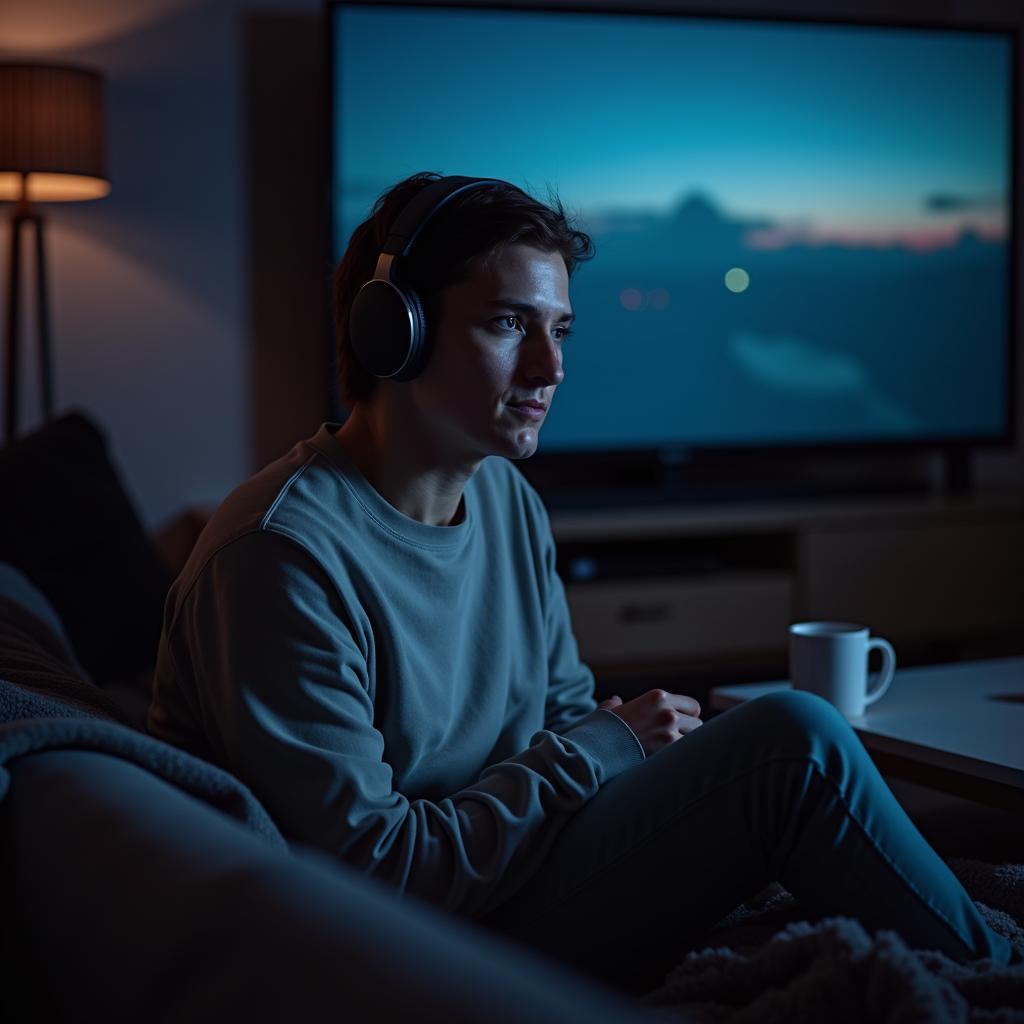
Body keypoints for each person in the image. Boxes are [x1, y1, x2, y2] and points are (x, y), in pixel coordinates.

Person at [147, 172, 1020, 992]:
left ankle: (971, 951)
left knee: (767, 747)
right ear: (394, 331)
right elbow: (375, 876)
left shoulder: (508, 503)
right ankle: (994, 975)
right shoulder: (280, 555)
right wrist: (604, 749)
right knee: (793, 737)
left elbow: (560, 715)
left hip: (515, 876)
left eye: (558, 329)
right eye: (507, 325)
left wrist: (650, 764)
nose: (551, 369)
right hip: (417, 947)